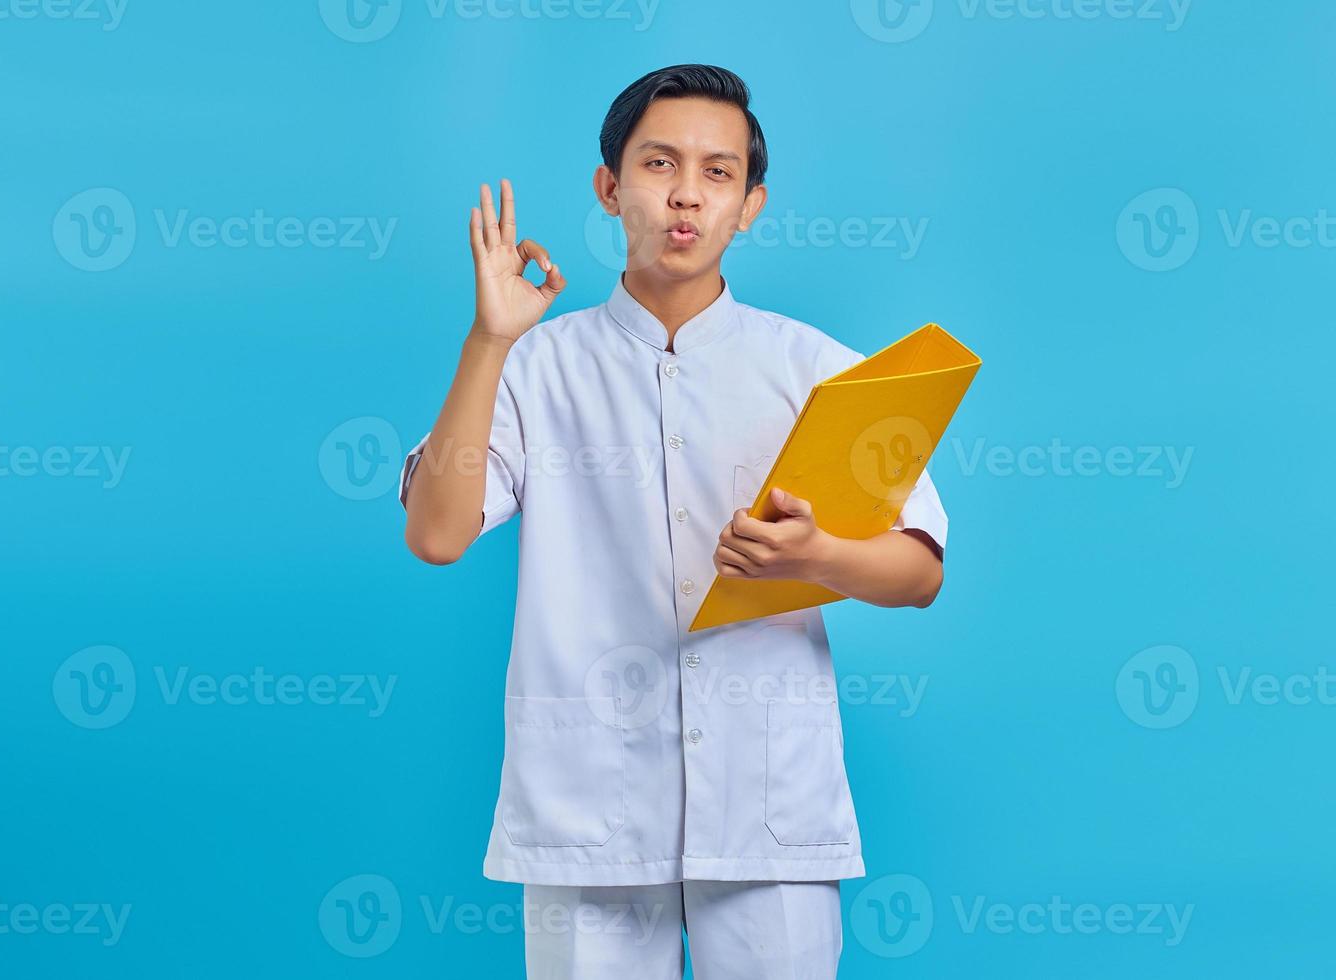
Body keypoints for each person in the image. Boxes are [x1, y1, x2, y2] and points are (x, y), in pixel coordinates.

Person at [400, 63, 948, 980]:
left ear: (752, 205)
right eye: (659, 165)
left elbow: (921, 570)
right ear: (610, 188)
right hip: (589, 810)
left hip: (769, 807)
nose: (687, 194)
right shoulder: (536, 368)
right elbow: (436, 534)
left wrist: (820, 555)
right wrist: (490, 338)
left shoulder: (816, 369)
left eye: (718, 172)